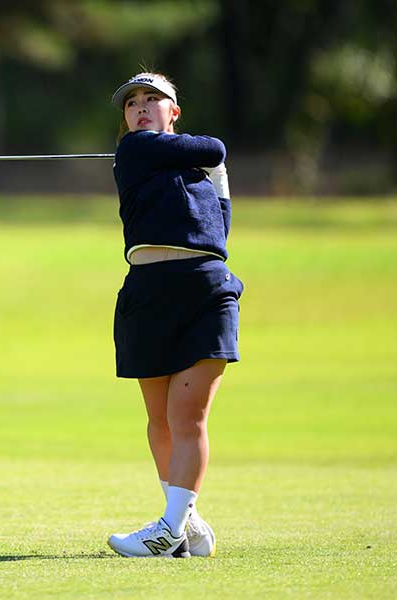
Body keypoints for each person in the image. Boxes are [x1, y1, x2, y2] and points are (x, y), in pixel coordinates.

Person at [105, 71, 244, 558]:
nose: (140, 107)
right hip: (148, 292)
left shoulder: (190, 169)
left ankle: (168, 529)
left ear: (174, 110)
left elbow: (219, 229)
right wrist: (214, 165)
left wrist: (220, 185)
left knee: (187, 418)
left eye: (152, 99)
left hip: (205, 289)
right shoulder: (135, 149)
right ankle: (186, 520)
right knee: (159, 420)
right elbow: (215, 146)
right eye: (132, 103)